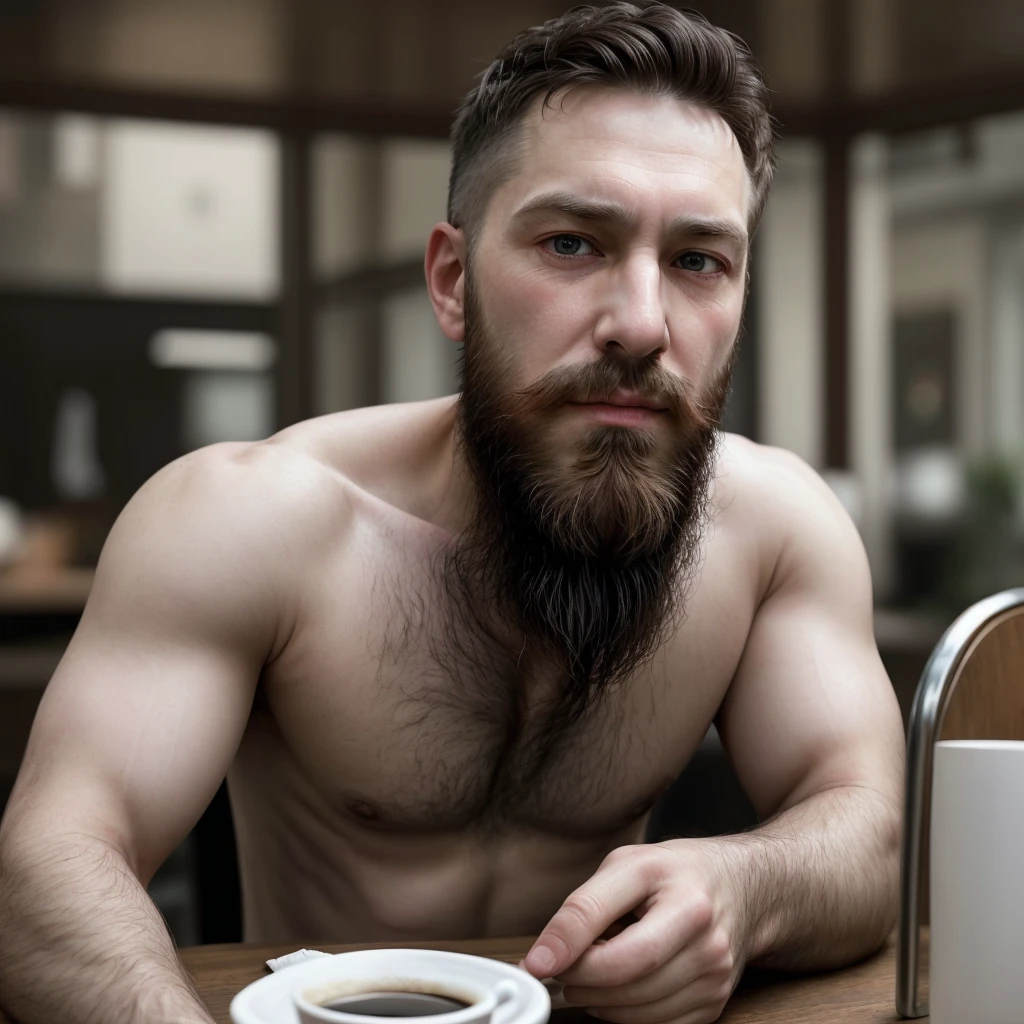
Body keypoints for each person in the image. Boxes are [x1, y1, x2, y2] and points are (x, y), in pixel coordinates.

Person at [0, 4, 904, 1023]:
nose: (643, 324)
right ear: (452, 280)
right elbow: (46, 861)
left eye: (698, 260)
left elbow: (865, 829)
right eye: (572, 243)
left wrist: (747, 887)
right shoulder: (254, 519)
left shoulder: (774, 530)